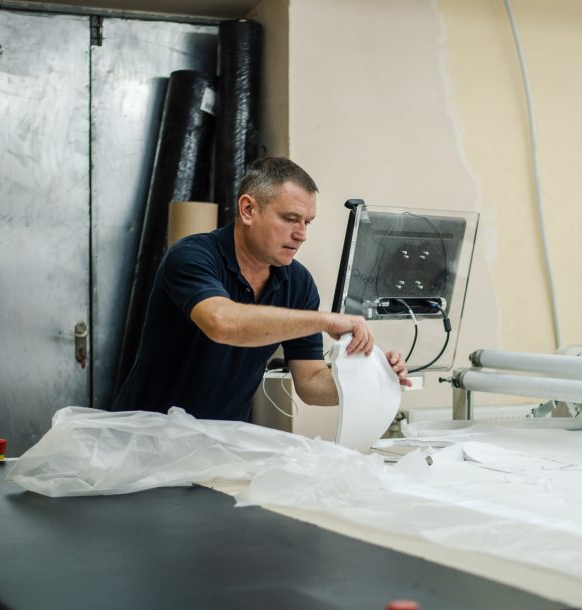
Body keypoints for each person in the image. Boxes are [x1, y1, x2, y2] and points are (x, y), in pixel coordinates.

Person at [112, 157, 410, 421]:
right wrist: (325, 320)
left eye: (307, 222)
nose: (302, 234)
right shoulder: (191, 256)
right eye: (290, 219)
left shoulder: (299, 283)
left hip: (222, 443)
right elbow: (222, 323)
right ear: (248, 209)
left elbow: (310, 382)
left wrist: (373, 379)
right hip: (148, 438)